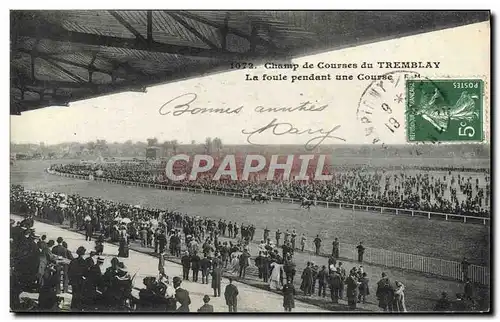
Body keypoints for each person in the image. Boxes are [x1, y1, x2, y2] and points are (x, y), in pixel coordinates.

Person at [68, 246, 88, 311]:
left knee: (74, 294)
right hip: (80, 281)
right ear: (83, 253)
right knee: (79, 294)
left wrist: (71, 279)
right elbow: (86, 272)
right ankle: (77, 307)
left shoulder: (73, 261)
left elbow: (69, 271)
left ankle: (73, 306)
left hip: (74, 280)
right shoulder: (84, 262)